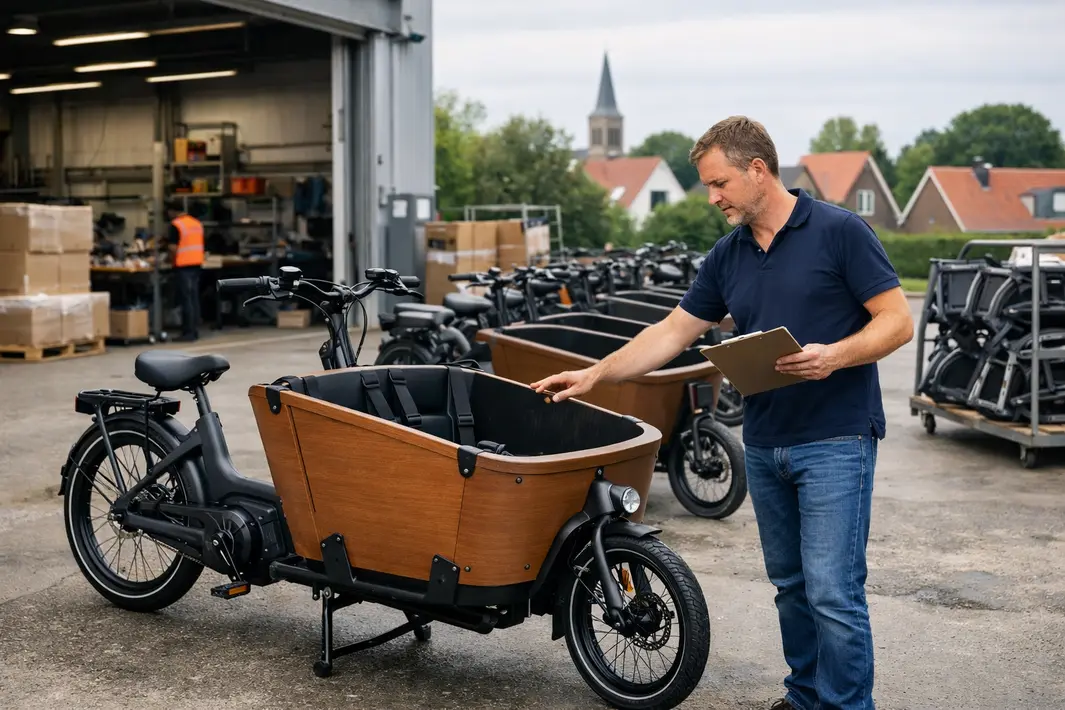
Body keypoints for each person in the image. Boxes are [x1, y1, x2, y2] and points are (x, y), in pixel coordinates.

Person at [531, 116, 913, 710]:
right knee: (790, 588)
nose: (712, 198)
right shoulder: (727, 255)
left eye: (719, 184)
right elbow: (672, 331)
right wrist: (596, 373)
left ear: (757, 170)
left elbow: (896, 320)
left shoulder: (840, 231)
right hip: (763, 442)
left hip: (836, 439)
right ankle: (807, 696)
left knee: (834, 592)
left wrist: (834, 356)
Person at [166, 200, 204, 342]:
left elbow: (173, 248)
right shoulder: (196, 223)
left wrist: (169, 260)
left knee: (186, 299)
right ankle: (194, 330)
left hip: (183, 265)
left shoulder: (176, 224)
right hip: (196, 263)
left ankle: (188, 333)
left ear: (171, 211)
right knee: (194, 298)